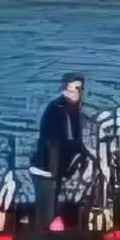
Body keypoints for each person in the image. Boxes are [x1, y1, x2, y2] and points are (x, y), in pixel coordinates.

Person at [30, 73, 89, 231]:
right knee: (46, 215)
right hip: (47, 169)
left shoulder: (73, 111)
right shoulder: (57, 109)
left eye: (80, 88)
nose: (79, 92)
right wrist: (56, 173)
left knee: (54, 209)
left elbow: (74, 142)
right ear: (65, 89)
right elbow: (53, 142)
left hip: (57, 169)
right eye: (75, 88)